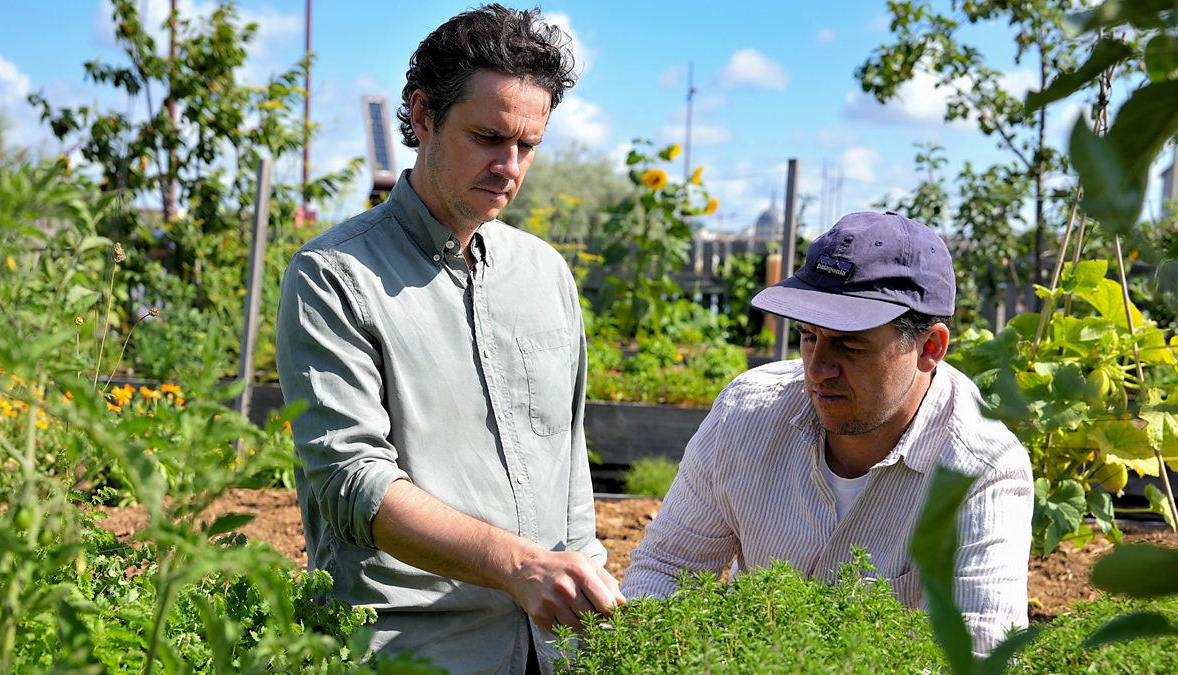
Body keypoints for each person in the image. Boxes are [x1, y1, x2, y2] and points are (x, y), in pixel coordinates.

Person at [275, 6, 623, 673]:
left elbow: (567, 460)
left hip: (552, 648)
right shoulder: (335, 275)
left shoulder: (545, 273)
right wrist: (518, 566)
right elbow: (353, 481)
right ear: (424, 116)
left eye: (528, 145)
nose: (509, 166)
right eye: (488, 137)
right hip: (411, 649)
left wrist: (588, 614)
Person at [620, 211, 1033, 655]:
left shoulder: (980, 469)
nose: (817, 370)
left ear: (929, 347)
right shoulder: (747, 412)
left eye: (850, 344)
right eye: (807, 336)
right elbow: (667, 568)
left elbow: (978, 652)